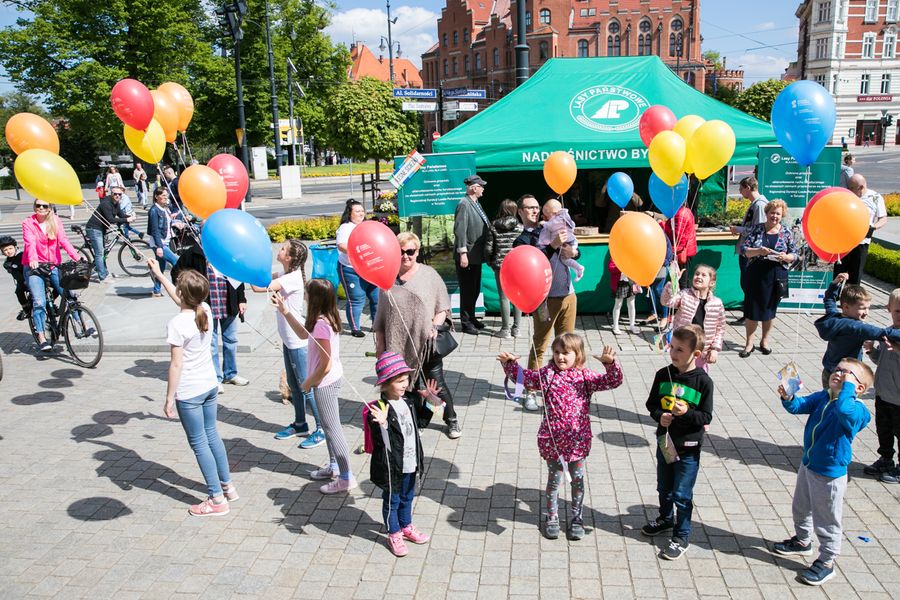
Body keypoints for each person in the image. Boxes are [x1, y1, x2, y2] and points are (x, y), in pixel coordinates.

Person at [498, 334, 623, 541]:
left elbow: (612, 381)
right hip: (552, 440)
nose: (560, 357)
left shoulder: (585, 377)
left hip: (577, 441)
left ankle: (576, 517)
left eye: (566, 353)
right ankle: (552, 517)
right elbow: (525, 378)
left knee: (578, 481)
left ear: (578, 355)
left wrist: (611, 365)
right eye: (556, 352)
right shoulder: (547, 374)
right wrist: (510, 364)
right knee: (554, 482)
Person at [148, 260, 237, 517]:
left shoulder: (177, 323)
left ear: (182, 293)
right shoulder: (205, 310)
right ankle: (227, 485)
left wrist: (168, 398)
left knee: (199, 443)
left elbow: (175, 365)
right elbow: (182, 301)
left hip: (190, 392)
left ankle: (217, 499)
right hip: (210, 385)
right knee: (212, 435)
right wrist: (160, 275)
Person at [773, 358, 873, 586]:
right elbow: (799, 406)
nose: (839, 374)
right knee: (800, 507)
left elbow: (844, 411)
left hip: (830, 474)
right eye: (837, 369)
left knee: (827, 519)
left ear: (858, 388)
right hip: (808, 463)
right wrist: (788, 397)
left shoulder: (857, 410)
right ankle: (802, 541)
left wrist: (846, 389)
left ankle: (827, 562)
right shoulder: (824, 396)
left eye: (847, 374)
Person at [373, 232, 459, 439]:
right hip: (398, 344)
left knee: (435, 386)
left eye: (410, 252)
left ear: (417, 251)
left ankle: (451, 420)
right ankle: (415, 420)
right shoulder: (387, 278)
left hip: (427, 344)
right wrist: (380, 346)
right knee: (406, 386)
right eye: (401, 252)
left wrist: (434, 326)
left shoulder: (429, 275)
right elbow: (382, 318)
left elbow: (442, 308)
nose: (405, 256)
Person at [274, 278, 356, 494]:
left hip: (325, 382)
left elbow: (326, 364)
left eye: (307, 293)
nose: (304, 295)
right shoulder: (324, 318)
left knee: (332, 429)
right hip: (326, 380)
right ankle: (334, 467)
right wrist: (285, 312)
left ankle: (346, 477)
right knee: (329, 429)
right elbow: (302, 334)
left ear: (315, 298)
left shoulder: (321, 325)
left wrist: (307, 383)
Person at [642, 325, 714, 561]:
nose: (673, 353)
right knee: (664, 487)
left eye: (680, 349)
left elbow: (706, 417)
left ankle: (681, 535)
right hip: (665, 441)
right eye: (672, 347)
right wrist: (659, 416)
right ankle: (664, 518)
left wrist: (686, 414)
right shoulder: (663, 374)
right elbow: (651, 404)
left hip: (689, 448)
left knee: (682, 494)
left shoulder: (703, 381)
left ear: (695, 354)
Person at [367, 352, 442, 556]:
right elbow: (381, 442)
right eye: (399, 381)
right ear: (385, 383)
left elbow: (422, 423)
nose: (404, 384)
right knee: (393, 500)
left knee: (408, 497)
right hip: (393, 466)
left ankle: (406, 525)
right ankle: (394, 533)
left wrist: (430, 401)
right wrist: (382, 422)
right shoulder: (380, 408)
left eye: (406, 379)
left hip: (412, 462)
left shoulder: (408, 400)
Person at [513, 195, 580, 411]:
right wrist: (552, 245)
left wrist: (575, 252)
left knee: (568, 346)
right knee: (540, 345)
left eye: (536, 207)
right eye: (529, 208)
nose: (533, 211)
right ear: (520, 212)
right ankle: (531, 391)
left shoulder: (553, 226)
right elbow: (533, 259)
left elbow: (573, 247)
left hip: (568, 295)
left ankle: (565, 388)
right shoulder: (522, 240)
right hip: (544, 300)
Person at [255, 240, 323, 450]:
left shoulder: (291, 279)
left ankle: (321, 429)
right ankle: (300, 424)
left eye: (284, 249)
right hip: (287, 340)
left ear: (291, 258)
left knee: (306, 386)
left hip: (297, 341)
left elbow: (261, 287)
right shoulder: (284, 275)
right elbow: (261, 283)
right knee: (294, 386)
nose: (280, 249)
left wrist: (256, 264)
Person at [172, 243, 250, 393]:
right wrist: (189, 291)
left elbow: (237, 276)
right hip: (207, 306)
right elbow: (177, 271)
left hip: (229, 303)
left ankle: (230, 373)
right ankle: (216, 378)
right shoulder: (194, 252)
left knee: (231, 340)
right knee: (211, 344)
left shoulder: (226, 250)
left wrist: (242, 299)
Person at [814, 273, 900, 389]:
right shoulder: (855, 327)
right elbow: (883, 333)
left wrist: (835, 284)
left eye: (868, 307)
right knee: (842, 404)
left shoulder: (834, 316)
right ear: (846, 307)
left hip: (829, 372)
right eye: (862, 308)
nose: (867, 312)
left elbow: (829, 300)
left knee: (829, 402)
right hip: (845, 376)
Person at [22, 200, 82, 352]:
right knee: (39, 302)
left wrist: (77, 258)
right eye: (38, 206)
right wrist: (33, 259)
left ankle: (81, 325)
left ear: (50, 208)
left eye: (45, 206)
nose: (41, 208)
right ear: (34, 207)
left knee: (69, 294)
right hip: (34, 267)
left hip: (52, 265)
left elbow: (63, 241)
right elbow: (30, 243)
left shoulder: (55, 220)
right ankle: (42, 337)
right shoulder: (28, 222)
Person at [739, 199, 797, 357]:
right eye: (772, 212)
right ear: (766, 213)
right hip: (756, 275)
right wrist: (758, 251)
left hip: (777, 276)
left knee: (770, 310)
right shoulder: (757, 229)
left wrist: (786, 257)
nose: (775, 216)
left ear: (782, 215)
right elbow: (744, 250)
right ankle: (749, 343)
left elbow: (795, 254)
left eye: (778, 213)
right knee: (752, 310)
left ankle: (765, 341)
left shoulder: (786, 232)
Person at [863, 288, 900, 483]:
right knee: (883, 430)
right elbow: (882, 361)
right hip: (883, 395)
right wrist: (871, 352)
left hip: (899, 399)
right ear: (889, 309)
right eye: (898, 311)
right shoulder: (887, 333)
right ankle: (886, 459)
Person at [661, 265, 726, 372]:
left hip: (702, 349)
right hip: (683, 346)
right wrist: (673, 283)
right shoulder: (684, 294)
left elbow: (720, 329)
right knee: (679, 374)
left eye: (703, 275)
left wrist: (714, 349)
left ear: (712, 283)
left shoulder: (717, 303)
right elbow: (667, 302)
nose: (699, 276)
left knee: (699, 377)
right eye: (697, 274)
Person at [833, 174, 888, 284]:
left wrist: (873, 227)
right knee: (838, 274)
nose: (849, 190)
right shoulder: (846, 196)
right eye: (848, 187)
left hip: (861, 243)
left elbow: (883, 218)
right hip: (843, 242)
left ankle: (852, 300)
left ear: (861, 187)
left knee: (855, 275)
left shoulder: (875, 197)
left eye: (852, 188)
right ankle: (834, 297)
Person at [336, 199, 379, 337]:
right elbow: (341, 246)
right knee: (356, 299)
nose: (361, 213)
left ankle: (376, 325)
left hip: (369, 269)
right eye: (357, 211)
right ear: (350, 214)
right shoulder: (345, 228)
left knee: (376, 297)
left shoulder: (366, 226)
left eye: (362, 211)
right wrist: (358, 252)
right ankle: (355, 328)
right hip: (350, 269)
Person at [453, 175, 490, 334]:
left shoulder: (475, 203)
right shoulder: (464, 204)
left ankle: (472, 317)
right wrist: (463, 253)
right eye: (481, 186)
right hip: (467, 255)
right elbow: (460, 230)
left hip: (475, 255)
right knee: (468, 290)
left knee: (474, 289)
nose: (483, 189)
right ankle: (466, 322)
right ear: (474, 188)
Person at [729, 176, 768, 325]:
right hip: (747, 249)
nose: (740, 192)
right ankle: (749, 313)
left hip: (750, 251)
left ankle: (750, 315)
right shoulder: (755, 204)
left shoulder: (759, 205)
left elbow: (758, 229)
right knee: (746, 283)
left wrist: (738, 229)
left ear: (748, 188)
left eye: (741, 189)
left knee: (748, 283)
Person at [484, 199, 523, 339]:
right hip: (517, 266)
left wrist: (490, 262)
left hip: (501, 266)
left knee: (503, 297)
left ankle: (505, 330)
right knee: (517, 296)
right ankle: (517, 329)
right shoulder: (520, 227)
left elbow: (489, 248)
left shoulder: (493, 226)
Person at [85, 187, 134, 282]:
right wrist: (127, 220)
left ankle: (102, 270)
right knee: (99, 253)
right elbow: (111, 219)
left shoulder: (116, 203)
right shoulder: (106, 203)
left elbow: (121, 215)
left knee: (103, 252)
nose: (117, 196)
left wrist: (130, 217)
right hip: (94, 228)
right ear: (111, 194)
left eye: (120, 194)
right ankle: (102, 277)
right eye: (115, 194)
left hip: (101, 229)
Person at [538, 199, 584, 282]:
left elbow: (577, 253)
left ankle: (578, 268)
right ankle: (578, 268)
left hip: (568, 242)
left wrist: (574, 252)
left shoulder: (557, 219)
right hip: (571, 241)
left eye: (547, 216)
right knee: (565, 259)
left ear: (555, 213)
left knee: (565, 258)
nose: (544, 217)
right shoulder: (563, 217)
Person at [147, 187, 181, 298]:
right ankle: (177, 287)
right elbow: (155, 230)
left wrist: (175, 223)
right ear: (156, 196)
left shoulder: (165, 208)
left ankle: (156, 290)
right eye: (163, 195)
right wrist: (159, 247)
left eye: (167, 195)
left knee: (160, 267)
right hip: (160, 243)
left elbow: (167, 222)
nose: (166, 197)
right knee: (177, 262)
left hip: (165, 241)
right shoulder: (154, 210)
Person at [663, 204, 697, 290]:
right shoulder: (684, 211)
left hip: (681, 252)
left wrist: (662, 225)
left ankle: (682, 302)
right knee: (683, 279)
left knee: (680, 281)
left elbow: (678, 236)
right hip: (685, 250)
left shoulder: (679, 214)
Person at [608, 257, 640, 335]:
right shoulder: (616, 255)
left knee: (631, 304)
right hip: (620, 283)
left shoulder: (632, 255)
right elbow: (610, 268)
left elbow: (638, 267)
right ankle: (615, 326)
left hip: (631, 281)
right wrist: (622, 268)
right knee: (618, 304)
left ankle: (632, 325)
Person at [1, 236, 29, 321]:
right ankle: (26, 310)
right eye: (5, 250)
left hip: (33, 278)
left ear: (15, 247)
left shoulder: (24, 254)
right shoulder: (7, 263)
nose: (8, 251)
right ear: (2, 252)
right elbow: (16, 275)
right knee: (18, 292)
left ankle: (52, 304)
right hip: (22, 282)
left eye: (10, 248)